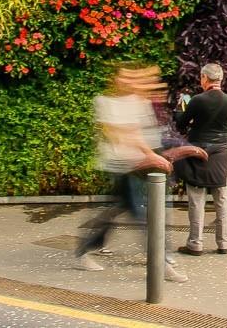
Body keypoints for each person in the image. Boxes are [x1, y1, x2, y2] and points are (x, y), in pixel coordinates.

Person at [76, 65, 193, 283]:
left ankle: (84, 250)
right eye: (124, 78)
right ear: (116, 81)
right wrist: (152, 156)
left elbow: (143, 133)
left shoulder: (136, 102)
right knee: (143, 216)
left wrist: (158, 154)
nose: (129, 82)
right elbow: (122, 134)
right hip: (122, 166)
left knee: (117, 211)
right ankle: (162, 263)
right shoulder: (105, 103)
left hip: (139, 165)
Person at [175, 63, 227, 256]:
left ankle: (195, 244)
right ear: (221, 79)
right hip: (221, 155)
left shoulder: (197, 100)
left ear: (204, 78)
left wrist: (180, 109)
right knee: (222, 199)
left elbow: (181, 125)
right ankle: (224, 243)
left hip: (198, 154)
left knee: (196, 200)